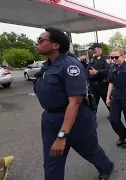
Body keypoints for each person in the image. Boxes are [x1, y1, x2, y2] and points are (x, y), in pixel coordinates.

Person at [34, 27, 114, 180]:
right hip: (51, 119)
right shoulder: (46, 66)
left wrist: (62, 135)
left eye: (41, 40)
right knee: (51, 163)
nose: (37, 43)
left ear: (56, 45)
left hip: (77, 119)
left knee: (90, 150)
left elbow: (75, 102)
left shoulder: (70, 66)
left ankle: (106, 167)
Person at [106, 48, 126, 148]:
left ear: (123, 56)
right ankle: (123, 135)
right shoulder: (113, 67)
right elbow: (111, 83)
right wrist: (108, 97)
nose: (114, 59)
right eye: (112, 57)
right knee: (113, 119)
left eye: (116, 57)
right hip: (116, 97)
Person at [87, 43, 111, 118]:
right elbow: (87, 70)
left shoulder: (105, 58)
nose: (93, 51)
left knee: (108, 102)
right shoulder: (92, 59)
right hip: (93, 85)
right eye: (92, 50)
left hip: (102, 84)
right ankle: (92, 117)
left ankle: (113, 115)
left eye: (94, 49)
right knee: (93, 102)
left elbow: (108, 70)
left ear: (100, 49)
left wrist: (97, 72)